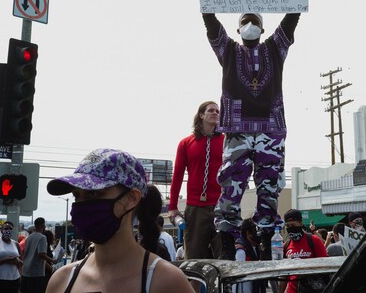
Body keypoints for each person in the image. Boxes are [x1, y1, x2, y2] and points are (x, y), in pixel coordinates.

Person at [195, 0, 317, 260]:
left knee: (269, 187)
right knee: (231, 187)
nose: (250, 25)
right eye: (245, 21)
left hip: (270, 131)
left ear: (262, 28)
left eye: (255, 21)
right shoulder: (229, 51)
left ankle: (266, 241)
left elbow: (291, 20)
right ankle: (227, 240)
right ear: (239, 29)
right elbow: (211, 26)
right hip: (237, 131)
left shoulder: (275, 49)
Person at [45, 148, 194, 293]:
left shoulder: (166, 282)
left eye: (92, 193)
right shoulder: (61, 280)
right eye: (77, 195)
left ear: (131, 199)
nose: (81, 204)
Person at [168, 101, 224, 260]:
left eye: (217, 111)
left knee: (224, 259)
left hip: (221, 206)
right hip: (196, 208)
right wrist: (172, 207)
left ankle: (222, 286)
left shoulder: (227, 142)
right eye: (211, 110)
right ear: (201, 115)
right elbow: (177, 175)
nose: (215, 113)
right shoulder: (186, 143)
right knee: (193, 260)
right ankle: (192, 286)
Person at [279, 209, 328, 293]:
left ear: (300, 223)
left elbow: (326, 266)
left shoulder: (313, 240)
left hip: (312, 289)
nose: (290, 228)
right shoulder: (286, 245)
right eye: (288, 226)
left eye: (293, 225)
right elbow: (283, 275)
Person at [21, 217, 55, 293]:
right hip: (36, 273)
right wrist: (53, 260)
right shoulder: (42, 237)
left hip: (25, 271)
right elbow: (41, 254)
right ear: (43, 225)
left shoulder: (28, 237)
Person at [234, 218, 265, 293]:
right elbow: (238, 274)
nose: (258, 235)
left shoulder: (256, 247)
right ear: (248, 233)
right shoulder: (241, 250)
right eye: (256, 232)